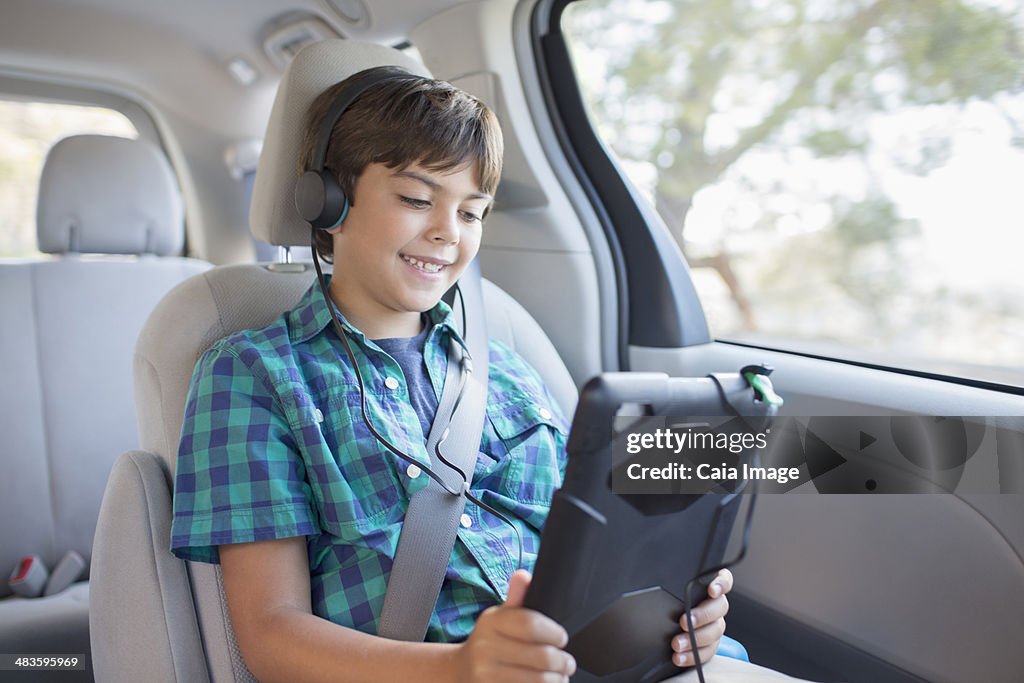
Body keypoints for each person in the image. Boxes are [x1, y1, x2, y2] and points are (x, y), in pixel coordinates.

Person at [170, 67, 776, 683]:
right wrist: (460, 667)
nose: (446, 232)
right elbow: (271, 636)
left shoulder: (509, 371)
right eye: (415, 198)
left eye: (472, 212)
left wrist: (674, 617)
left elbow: (592, 556)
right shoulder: (254, 374)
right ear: (327, 200)